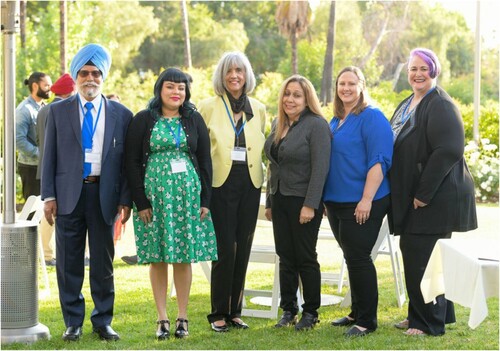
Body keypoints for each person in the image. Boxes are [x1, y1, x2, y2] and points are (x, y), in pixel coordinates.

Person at [41, 43, 133, 342]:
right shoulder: (57, 111)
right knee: (68, 263)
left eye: (95, 73)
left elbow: (126, 163)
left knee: (103, 263)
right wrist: (49, 196)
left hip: (104, 195)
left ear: (103, 76)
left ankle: (103, 320)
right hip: (68, 195)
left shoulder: (122, 113)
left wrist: (125, 199)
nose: (89, 78)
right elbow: (49, 157)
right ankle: (73, 321)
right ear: (75, 77)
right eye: (84, 73)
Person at [389, 48, 477, 336]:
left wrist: (423, 193)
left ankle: (428, 323)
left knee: (423, 256)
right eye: (412, 69)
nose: (417, 74)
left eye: (423, 69)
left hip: (434, 197)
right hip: (417, 194)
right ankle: (421, 313)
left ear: (434, 71)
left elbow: (449, 149)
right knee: (418, 253)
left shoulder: (439, 103)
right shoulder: (409, 102)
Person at [125, 67, 217, 340]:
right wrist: (140, 201)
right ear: (159, 89)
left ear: (187, 92)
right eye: (170, 87)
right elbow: (130, 162)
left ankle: (182, 318)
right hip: (154, 199)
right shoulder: (143, 119)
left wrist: (205, 199)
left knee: (183, 255)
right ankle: (162, 318)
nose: (176, 92)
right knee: (157, 256)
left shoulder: (193, 119)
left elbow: (205, 160)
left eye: (181, 87)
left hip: (188, 198)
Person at [197, 51, 267, 332]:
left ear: (247, 75)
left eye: (239, 70)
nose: (234, 75)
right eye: (229, 71)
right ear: (221, 76)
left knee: (243, 247)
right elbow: (201, 151)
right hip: (220, 185)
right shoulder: (208, 107)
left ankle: (236, 311)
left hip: (250, 184)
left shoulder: (259, 108)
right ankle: (218, 313)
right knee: (224, 249)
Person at [322, 66, 393, 337]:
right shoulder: (336, 119)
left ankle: (366, 321)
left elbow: (379, 161)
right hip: (337, 202)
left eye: (352, 83)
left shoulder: (372, 117)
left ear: (362, 85)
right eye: (342, 84)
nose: (346, 88)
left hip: (364, 201)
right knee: (351, 256)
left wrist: (366, 199)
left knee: (359, 257)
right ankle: (356, 310)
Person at [264, 75, 331, 331]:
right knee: (285, 256)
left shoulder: (316, 125)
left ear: (307, 99)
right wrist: (270, 200)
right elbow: (273, 165)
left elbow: (320, 169)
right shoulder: (277, 123)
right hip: (280, 199)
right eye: (287, 94)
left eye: (297, 95)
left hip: (303, 201)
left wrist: (310, 204)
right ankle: (288, 309)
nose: (290, 99)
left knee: (305, 257)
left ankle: (311, 312)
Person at [36, 73, 76, 267]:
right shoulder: (59, 110)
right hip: (60, 171)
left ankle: (46, 251)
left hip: (43, 165)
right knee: (51, 214)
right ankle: (47, 252)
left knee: (45, 212)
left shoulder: (43, 109)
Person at [16, 71, 52, 201]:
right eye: (46, 85)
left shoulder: (45, 107)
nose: (50, 89)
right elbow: (18, 139)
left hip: (43, 165)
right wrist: (39, 153)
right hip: (30, 167)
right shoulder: (24, 110)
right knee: (31, 211)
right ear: (35, 86)